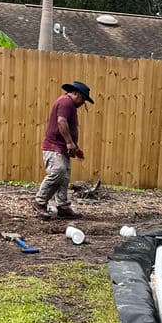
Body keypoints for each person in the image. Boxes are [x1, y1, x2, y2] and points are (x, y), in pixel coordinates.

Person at [34, 80, 94, 219]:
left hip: (61, 148)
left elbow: (66, 127)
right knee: (58, 171)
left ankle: (63, 207)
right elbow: (61, 122)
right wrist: (69, 143)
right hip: (54, 147)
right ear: (76, 93)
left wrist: (75, 147)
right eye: (83, 99)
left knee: (64, 177)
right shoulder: (66, 102)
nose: (83, 103)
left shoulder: (68, 104)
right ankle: (39, 202)